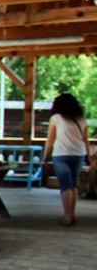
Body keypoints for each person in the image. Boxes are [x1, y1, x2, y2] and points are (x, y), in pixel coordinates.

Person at [43, 93, 93, 226]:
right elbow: (85, 141)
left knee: (65, 186)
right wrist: (89, 157)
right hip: (79, 155)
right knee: (73, 185)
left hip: (61, 155)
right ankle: (72, 214)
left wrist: (45, 156)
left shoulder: (56, 118)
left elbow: (50, 140)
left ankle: (67, 217)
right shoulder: (81, 120)